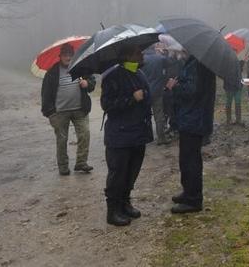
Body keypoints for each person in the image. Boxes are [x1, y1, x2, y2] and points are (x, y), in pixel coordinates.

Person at [100, 44, 153, 226]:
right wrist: (131, 99)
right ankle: (113, 210)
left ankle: (125, 202)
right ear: (128, 56)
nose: (141, 54)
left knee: (132, 172)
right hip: (120, 136)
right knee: (118, 173)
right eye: (138, 52)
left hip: (138, 134)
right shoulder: (112, 76)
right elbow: (107, 105)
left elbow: (147, 98)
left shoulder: (140, 73)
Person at [167, 50, 216, 214]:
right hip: (192, 118)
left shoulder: (197, 64)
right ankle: (188, 192)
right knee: (186, 159)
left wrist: (176, 86)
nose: (180, 50)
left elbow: (191, 90)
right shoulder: (197, 62)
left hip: (194, 119)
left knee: (191, 161)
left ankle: (193, 199)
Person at [40, 43, 96, 176]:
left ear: (73, 55)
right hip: (60, 112)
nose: (68, 57)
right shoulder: (52, 72)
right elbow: (45, 93)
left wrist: (87, 83)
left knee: (85, 134)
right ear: (60, 56)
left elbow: (92, 83)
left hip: (80, 109)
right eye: (65, 55)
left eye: (70, 55)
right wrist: (50, 113)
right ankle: (63, 166)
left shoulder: (81, 67)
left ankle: (81, 162)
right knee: (61, 140)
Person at [142, 43, 171, 145]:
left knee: (144, 115)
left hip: (144, 92)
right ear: (154, 47)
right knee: (159, 116)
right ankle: (161, 138)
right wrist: (164, 53)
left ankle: (145, 138)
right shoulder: (160, 58)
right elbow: (169, 63)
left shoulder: (141, 59)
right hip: (157, 91)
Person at [223, 60, 245, 126]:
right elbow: (223, 74)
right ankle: (229, 120)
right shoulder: (225, 64)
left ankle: (238, 120)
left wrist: (241, 65)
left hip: (238, 86)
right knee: (229, 102)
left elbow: (239, 73)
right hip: (229, 86)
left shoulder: (238, 62)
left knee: (238, 102)